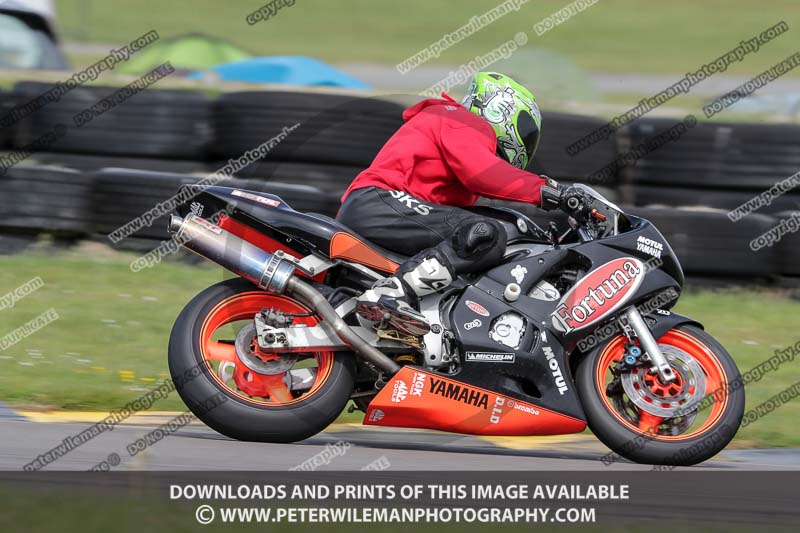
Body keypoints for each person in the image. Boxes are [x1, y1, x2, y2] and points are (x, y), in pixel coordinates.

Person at [337, 72, 562, 337]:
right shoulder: (460, 120)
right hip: (379, 201)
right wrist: (548, 191)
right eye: (525, 130)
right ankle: (392, 293)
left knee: (471, 239)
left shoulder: (455, 128)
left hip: (386, 208)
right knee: (484, 233)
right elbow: (485, 174)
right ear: (501, 108)